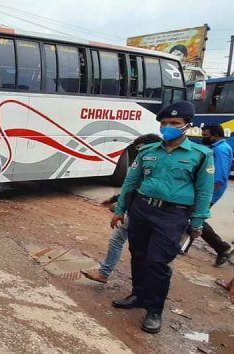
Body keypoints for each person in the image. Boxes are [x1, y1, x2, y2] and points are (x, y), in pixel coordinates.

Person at [110, 101, 214, 334]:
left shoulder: (201, 155)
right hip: (142, 209)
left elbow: (204, 191)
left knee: (157, 262)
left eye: (174, 123)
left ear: (187, 126)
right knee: (138, 254)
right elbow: (131, 181)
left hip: (173, 214)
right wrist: (120, 209)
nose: (168, 127)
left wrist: (197, 222)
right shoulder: (148, 151)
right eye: (164, 123)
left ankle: (154, 309)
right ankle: (138, 294)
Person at [81, 134, 162, 283]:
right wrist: (116, 201)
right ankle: (144, 280)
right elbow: (131, 185)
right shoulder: (153, 162)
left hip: (144, 211)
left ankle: (106, 273)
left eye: (139, 148)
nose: (138, 152)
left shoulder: (151, 163)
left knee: (120, 241)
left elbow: (135, 186)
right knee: (142, 246)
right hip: (146, 210)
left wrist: (119, 207)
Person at [198, 124, 234, 266]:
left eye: (206, 136)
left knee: (195, 219)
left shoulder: (221, 150)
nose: (203, 139)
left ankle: (223, 248)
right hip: (206, 191)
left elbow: (218, 177)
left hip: (210, 192)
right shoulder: (215, 148)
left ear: (216, 135)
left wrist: (205, 196)